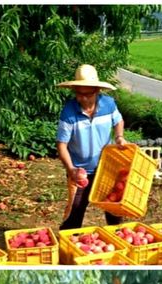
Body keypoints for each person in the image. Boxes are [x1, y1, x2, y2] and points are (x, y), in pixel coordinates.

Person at [56, 64, 126, 230]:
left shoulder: (108, 104)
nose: (83, 98)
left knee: (114, 208)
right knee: (76, 210)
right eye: (79, 94)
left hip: (106, 166)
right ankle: (69, 243)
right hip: (80, 171)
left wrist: (119, 137)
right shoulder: (69, 112)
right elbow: (61, 145)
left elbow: (119, 121)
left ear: (97, 91)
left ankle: (116, 237)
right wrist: (71, 169)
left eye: (88, 94)